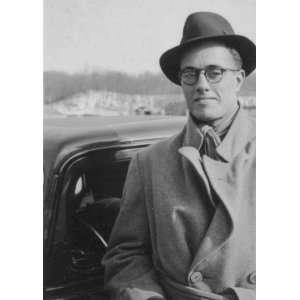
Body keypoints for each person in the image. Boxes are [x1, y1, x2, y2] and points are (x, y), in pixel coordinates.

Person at [102, 11, 256, 300]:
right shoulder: (150, 162)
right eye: (190, 73)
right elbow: (126, 254)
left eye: (214, 72)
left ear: (239, 79)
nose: (201, 84)